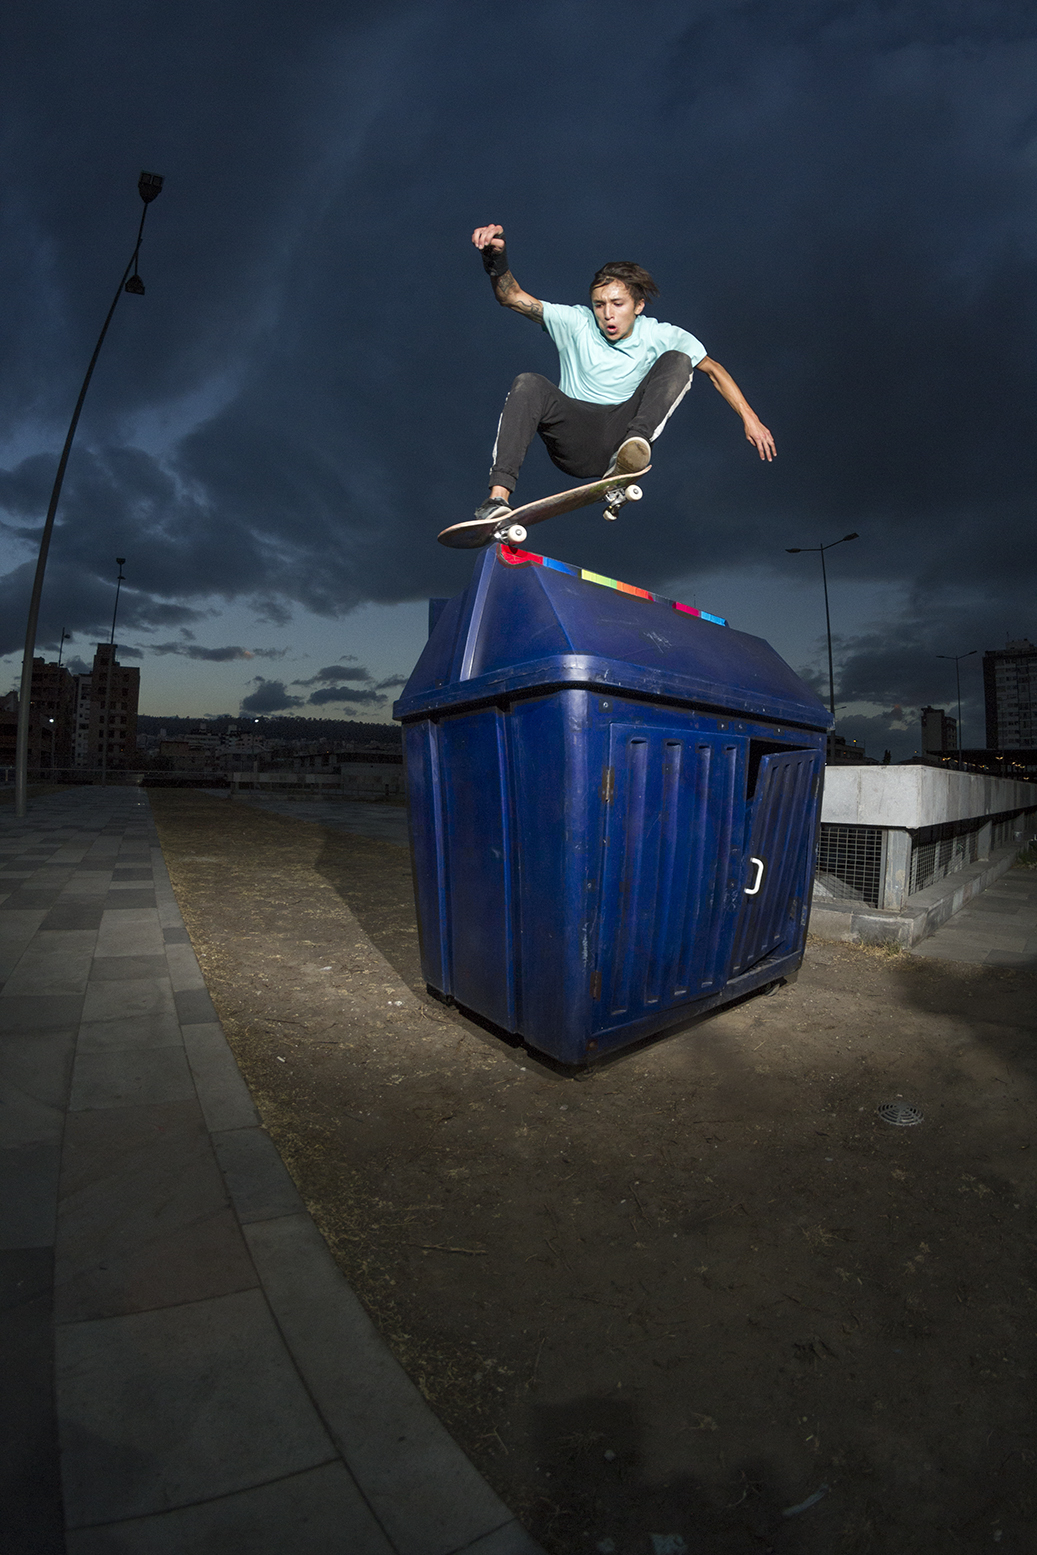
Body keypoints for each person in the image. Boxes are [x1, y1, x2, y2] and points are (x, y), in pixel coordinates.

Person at [470, 223, 776, 526]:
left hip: (622, 432)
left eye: (618, 304)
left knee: (679, 359)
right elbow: (510, 297)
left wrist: (751, 419)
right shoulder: (576, 321)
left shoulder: (660, 334)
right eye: (599, 305)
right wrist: (496, 260)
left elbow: (714, 370)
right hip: (573, 437)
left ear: (638, 305)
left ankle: (630, 453)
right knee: (528, 383)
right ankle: (498, 499)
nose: (608, 314)